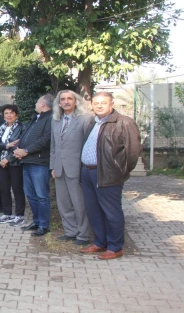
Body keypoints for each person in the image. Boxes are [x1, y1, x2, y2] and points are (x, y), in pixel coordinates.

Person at [79, 92, 141, 260]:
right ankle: (100, 242)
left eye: (103, 103)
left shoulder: (124, 123)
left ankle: (115, 247)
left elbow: (133, 152)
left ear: (111, 104)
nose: (99, 106)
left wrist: (120, 171)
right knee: (93, 210)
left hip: (108, 174)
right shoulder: (93, 122)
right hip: (87, 173)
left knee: (111, 211)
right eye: (96, 103)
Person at [50, 90, 93, 246]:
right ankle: (70, 231)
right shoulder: (55, 120)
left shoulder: (86, 119)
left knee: (79, 203)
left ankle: (84, 234)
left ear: (76, 101)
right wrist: (53, 167)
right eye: (63, 99)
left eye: (70, 99)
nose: (66, 101)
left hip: (77, 168)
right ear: (58, 103)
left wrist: (85, 167)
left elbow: (89, 145)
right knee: (63, 202)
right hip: (59, 168)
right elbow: (53, 146)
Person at [14, 94, 54, 236]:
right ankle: (36, 222)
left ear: (43, 104)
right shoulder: (36, 118)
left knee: (41, 195)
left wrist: (26, 150)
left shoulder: (50, 118)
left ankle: (44, 225)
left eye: (37, 101)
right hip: (27, 161)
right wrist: (19, 149)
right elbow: (26, 137)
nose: (35, 104)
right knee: (30, 195)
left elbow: (46, 139)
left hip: (39, 163)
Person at [0, 104, 26, 226]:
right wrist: (6, 146)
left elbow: (18, 145)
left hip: (15, 162)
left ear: (16, 115)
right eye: (6, 113)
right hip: (0, 162)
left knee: (17, 189)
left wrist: (7, 158)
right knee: (3, 189)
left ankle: (19, 215)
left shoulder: (21, 127)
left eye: (11, 113)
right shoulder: (1, 127)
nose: (8, 115)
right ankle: (7, 213)